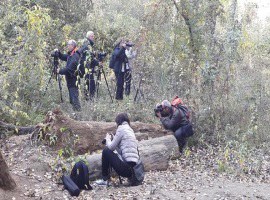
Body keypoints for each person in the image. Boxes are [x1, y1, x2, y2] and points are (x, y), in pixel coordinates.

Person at [95, 113, 140, 186]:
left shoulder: (121, 128)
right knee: (109, 151)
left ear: (118, 122)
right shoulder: (130, 130)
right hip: (134, 170)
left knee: (106, 150)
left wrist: (108, 140)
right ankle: (106, 179)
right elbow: (122, 151)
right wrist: (114, 139)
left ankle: (105, 179)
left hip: (126, 169)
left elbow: (111, 147)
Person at [56, 39, 81, 111]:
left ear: (72, 46)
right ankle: (76, 115)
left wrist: (60, 71)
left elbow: (70, 69)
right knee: (72, 100)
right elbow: (64, 57)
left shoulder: (75, 55)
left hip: (73, 81)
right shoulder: (71, 54)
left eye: (68, 45)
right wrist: (58, 53)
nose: (67, 46)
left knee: (74, 99)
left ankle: (79, 116)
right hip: (70, 81)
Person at [80, 31, 99, 100]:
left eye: (93, 36)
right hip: (87, 68)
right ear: (88, 37)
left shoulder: (86, 44)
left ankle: (87, 99)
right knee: (91, 85)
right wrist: (97, 63)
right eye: (92, 36)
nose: (93, 38)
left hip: (86, 68)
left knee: (88, 84)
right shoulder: (87, 45)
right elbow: (89, 59)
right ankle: (90, 100)